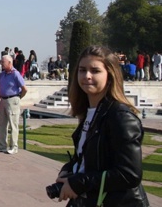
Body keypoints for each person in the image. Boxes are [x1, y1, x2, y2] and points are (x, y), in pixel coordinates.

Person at [55, 46, 149, 206]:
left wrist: (79, 183)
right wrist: (68, 169)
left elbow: (129, 174)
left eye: (95, 71)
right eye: (82, 70)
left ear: (110, 76)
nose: (87, 76)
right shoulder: (89, 113)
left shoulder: (120, 117)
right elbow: (87, 157)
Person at [0, 54, 27, 154]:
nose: (1, 64)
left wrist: (18, 98)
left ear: (9, 63)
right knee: (2, 124)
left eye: (3, 62)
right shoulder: (2, 74)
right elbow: (0, 89)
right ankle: (2, 146)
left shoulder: (15, 74)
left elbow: (24, 89)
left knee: (13, 124)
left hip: (13, 99)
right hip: (3, 100)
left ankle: (14, 146)